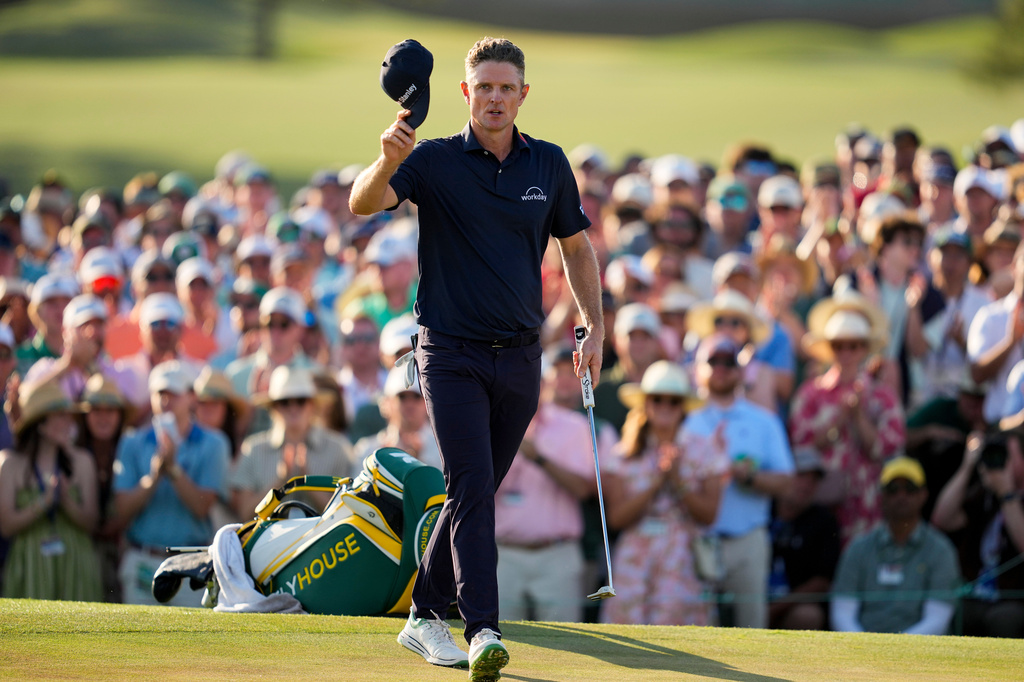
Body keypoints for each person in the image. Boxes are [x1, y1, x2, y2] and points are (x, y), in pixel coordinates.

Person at [349, 37, 603, 679]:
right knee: (470, 486)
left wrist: (593, 323)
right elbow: (362, 202)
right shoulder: (430, 159)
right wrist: (384, 162)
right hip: (449, 352)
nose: (494, 98)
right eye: (482, 87)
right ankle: (482, 628)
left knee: (477, 490)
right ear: (465, 93)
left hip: (520, 359)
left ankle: (423, 613)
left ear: (522, 94)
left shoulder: (547, 164)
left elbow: (575, 248)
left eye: (505, 88)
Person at [601, 360, 727, 626]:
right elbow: (616, 518)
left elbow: (709, 515)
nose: (665, 407)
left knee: (677, 628)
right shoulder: (624, 453)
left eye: (673, 401)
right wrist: (657, 482)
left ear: (683, 407)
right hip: (636, 553)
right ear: (646, 403)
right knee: (628, 630)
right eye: (658, 399)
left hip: (681, 554)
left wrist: (677, 480)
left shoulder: (704, 449)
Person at [684, 334, 794, 629]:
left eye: (728, 362)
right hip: (696, 539)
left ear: (741, 370)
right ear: (697, 369)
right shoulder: (684, 420)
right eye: (712, 361)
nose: (721, 368)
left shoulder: (764, 421)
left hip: (748, 540)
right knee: (695, 633)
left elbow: (786, 482)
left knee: (751, 630)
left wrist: (750, 476)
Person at [790, 291, 906, 545]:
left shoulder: (883, 396)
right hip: (822, 509)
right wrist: (840, 420)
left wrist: (859, 418)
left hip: (870, 507)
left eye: (853, 345)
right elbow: (802, 448)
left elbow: (888, 449)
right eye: (838, 345)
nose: (846, 353)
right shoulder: (810, 394)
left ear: (864, 348)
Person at [112, 361, 230, 607]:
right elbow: (122, 508)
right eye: (159, 394)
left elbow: (202, 506)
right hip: (142, 559)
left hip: (191, 564)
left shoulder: (214, 443)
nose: (166, 400)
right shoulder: (132, 442)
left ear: (191, 397)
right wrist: (155, 476)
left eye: (173, 393)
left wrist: (173, 470)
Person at [493, 354, 598, 624]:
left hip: (557, 556)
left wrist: (539, 458)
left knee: (568, 648)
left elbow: (584, 489)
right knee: (505, 640)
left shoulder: (573, 426)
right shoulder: (492, 424)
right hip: (504, 554)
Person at [831, 457, 960, 635]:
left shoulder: (941, 549)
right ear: (882, 496)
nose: (901, 496)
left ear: (923, 495)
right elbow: (842, 612)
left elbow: (938, 618)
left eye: (910, 489)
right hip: (863, 652)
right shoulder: (858, 547)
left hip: (921, 654)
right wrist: (864, 648)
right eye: (893, 489)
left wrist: (896, 650)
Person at [0, 381, 102, 601]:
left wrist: (66, 501)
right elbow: (6, 526)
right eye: (60, 416)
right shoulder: (10, 465)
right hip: (29, 566)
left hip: (75, 564)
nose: (69, 422)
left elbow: (91, 522)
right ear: (40, 424)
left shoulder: (82, 461)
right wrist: (43, 503)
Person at [229, 366, 357, 521]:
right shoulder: (253, 449)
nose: (293, 408)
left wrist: (306, 482)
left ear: (312, 405)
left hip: (323, 543)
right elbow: (245, 514)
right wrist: (280, 482)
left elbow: (347, 514)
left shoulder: (338, 448)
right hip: (270, 544)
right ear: (274, 407)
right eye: (285, 402)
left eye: (300, 401)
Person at [932, 431, 1024, 638]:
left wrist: (1007, 494)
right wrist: (968, 466)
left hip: (1013, 600)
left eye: (1006, 456)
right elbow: (942, 519)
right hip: (975, 596)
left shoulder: (1005, 495)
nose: (999, 462)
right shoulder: (983, 495)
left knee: (1004, 619)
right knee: (947, 610)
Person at [768, 447, 841, 630]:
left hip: (791, 608)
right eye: (801, 476)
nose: (807, 485)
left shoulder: (824, 521)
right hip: (752, 599)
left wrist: (775, 608)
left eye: (814, 480)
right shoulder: (760, 510)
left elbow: (823, 581)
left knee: (807, 616)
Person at [76, 374, 133, 602]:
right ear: (84, 415)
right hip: (79, 555)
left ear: (120, 415)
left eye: (110, 410)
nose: (103, 417)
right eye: (96, 410)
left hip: (121, 554)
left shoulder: (131, 449)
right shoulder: (70, 453)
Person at [353, 365, 441, 470]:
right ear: (386, 403)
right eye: (402, 397)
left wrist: (419, 460)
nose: (409, 404)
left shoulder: (444, 449)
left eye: (417, 397)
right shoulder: (366, 450)